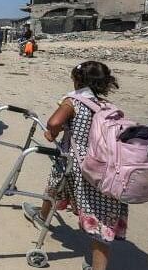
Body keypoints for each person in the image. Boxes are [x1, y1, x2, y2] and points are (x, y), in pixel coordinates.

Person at [22, 61, 126, 270]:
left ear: (79, 81)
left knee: (54, 186)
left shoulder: (74, 101)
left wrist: (51, 133)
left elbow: (53, 123)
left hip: (76, 166)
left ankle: (42, 217)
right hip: (105, 168)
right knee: (101, 219)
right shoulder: (106, 106)